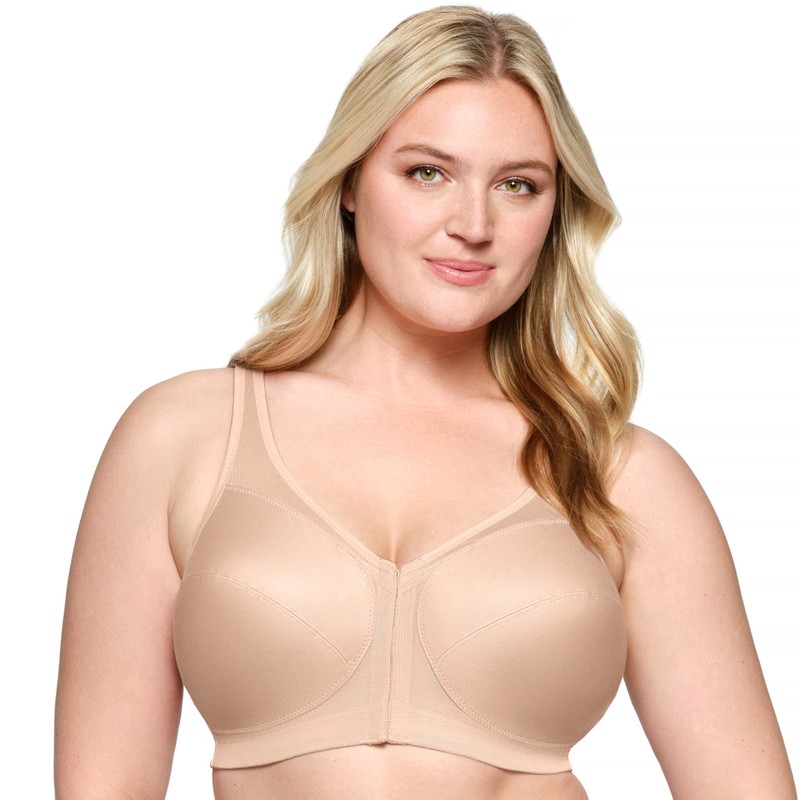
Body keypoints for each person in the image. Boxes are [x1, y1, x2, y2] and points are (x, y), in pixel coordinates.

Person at [54, 6, 796, 799]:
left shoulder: (622, 475)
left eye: (518, 185)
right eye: (427, 173)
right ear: (349, 182)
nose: (473, 225)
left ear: (554, 212)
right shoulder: (182, 438)